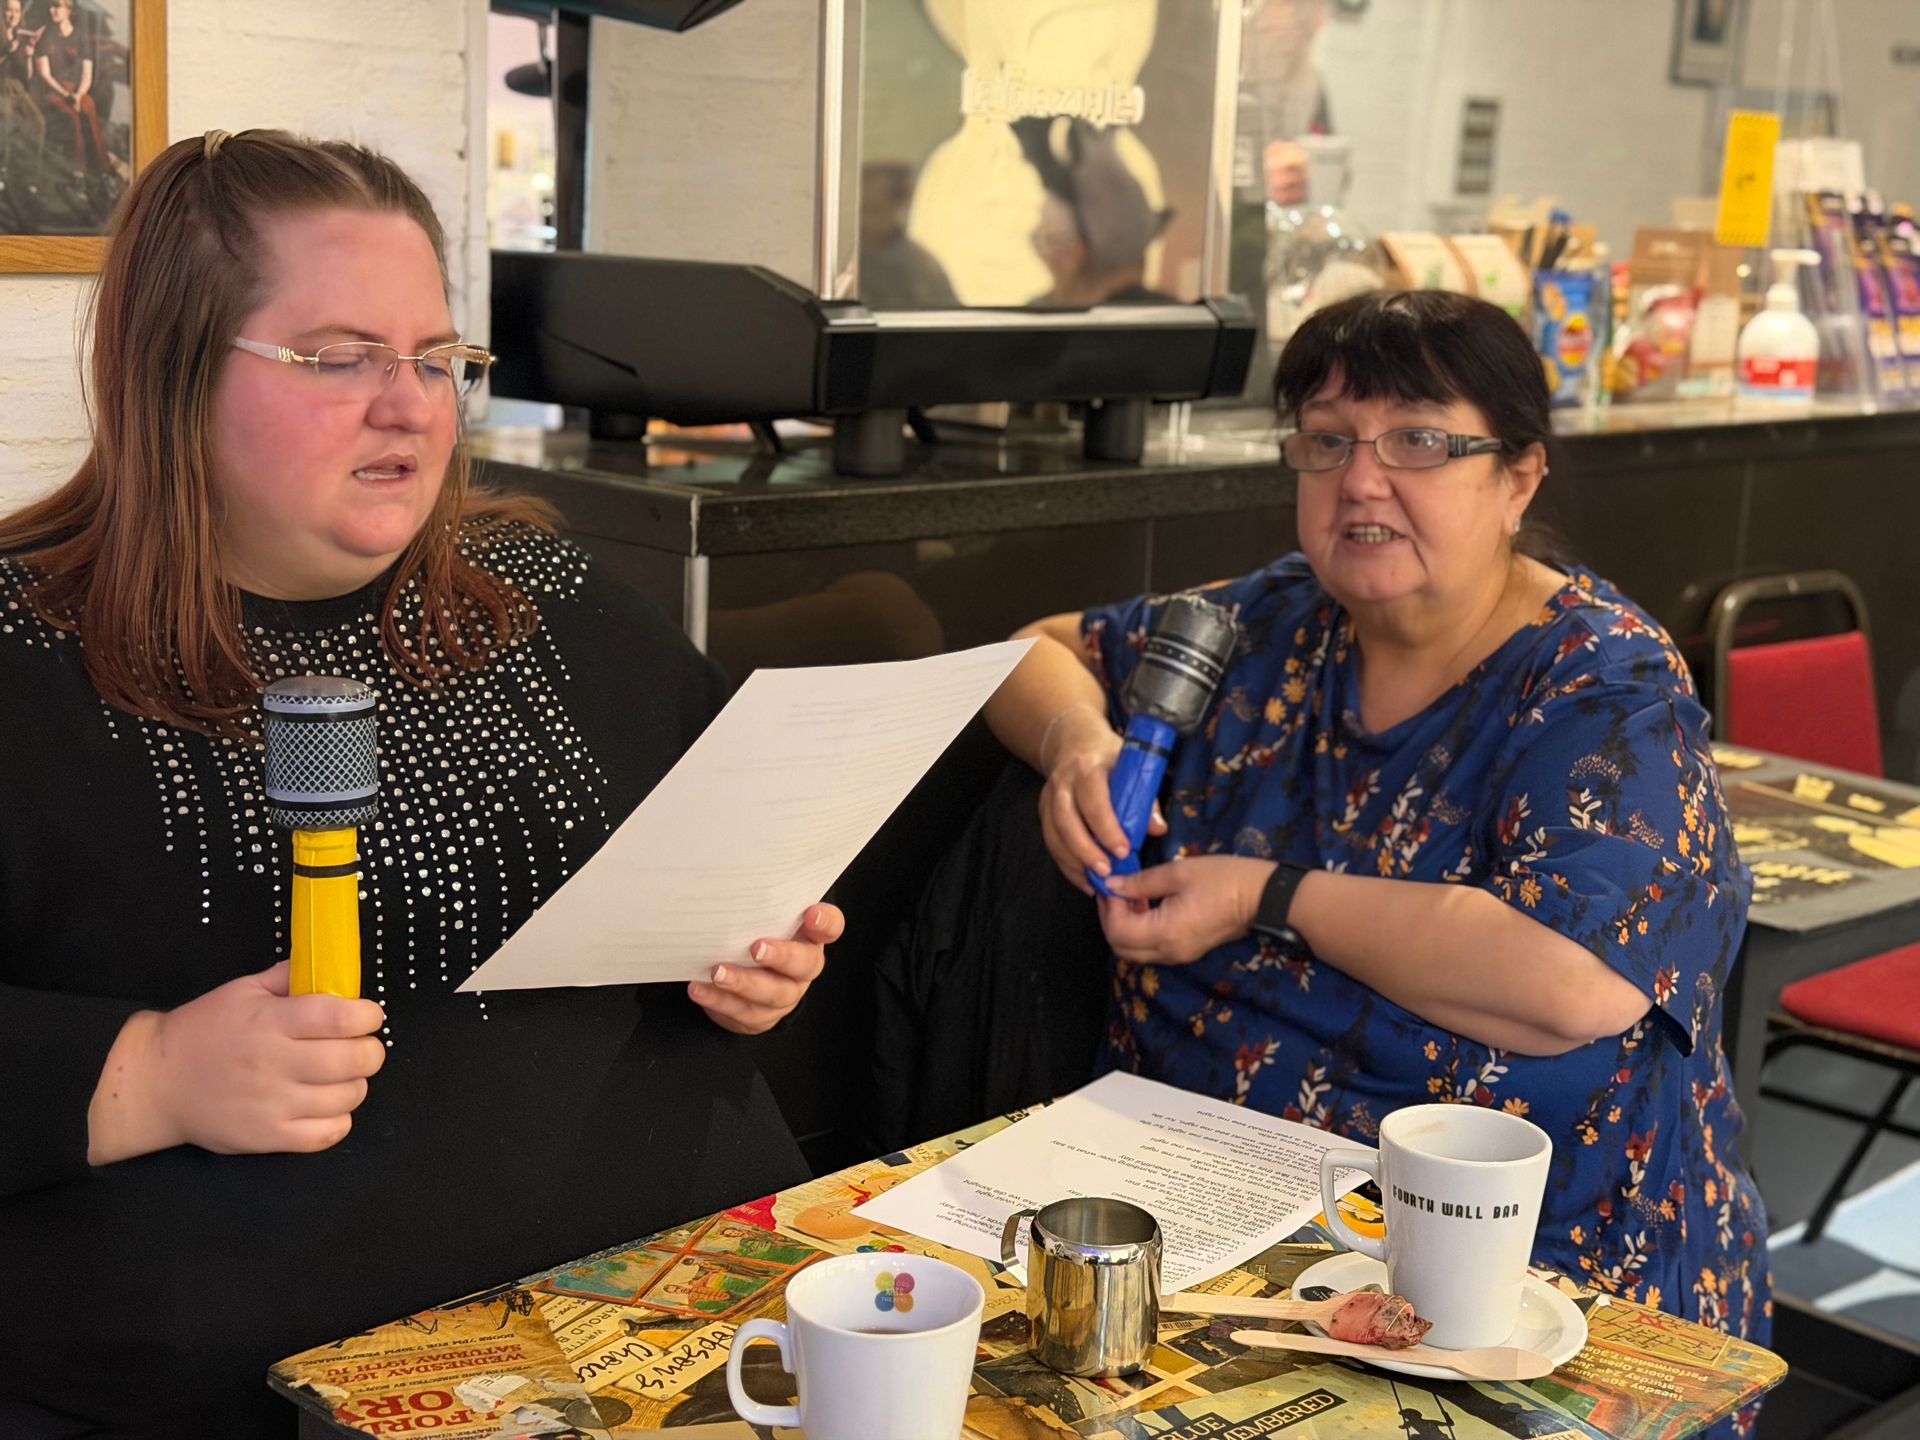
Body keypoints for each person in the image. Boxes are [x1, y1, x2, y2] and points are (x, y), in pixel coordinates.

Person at [0, 128, 840, 1436]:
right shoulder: (25, 658)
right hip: (266, 1397)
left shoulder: (550, 600)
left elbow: (737, 873)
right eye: (341, 358)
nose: (411, 406)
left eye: (438, 359)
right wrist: (145, 1075)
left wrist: (762, 959)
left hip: (699, 1341)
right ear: (172, 372)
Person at [984, 291, 1768, 1355]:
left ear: (1519, 476)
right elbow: (1033, 651)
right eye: (1327, 440)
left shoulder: (1601, 682)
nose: (1360, 479)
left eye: (1419, 440)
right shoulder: (1274, 622)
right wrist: (1079, 743)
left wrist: (1264, 896)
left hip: (1521, 1286)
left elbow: (1576, 981)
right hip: (1200, 1216)